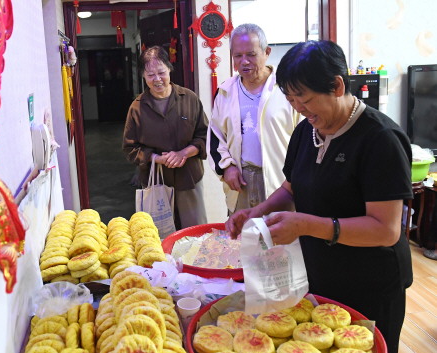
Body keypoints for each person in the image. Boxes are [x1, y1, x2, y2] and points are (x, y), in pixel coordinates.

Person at [225, 40, 413, 353]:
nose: (298, 107)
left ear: (337, 86)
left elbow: (386, 229)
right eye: (291, 98)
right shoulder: (306, 131)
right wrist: (258, 211)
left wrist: (306, 225)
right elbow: (292, 187)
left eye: (304, 98)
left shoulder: (380, 139)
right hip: (320, 274)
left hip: (370, 282)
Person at [207, 23, 301, 214]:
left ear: (266, 52)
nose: (244, 62)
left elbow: (305, 136)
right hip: (241, 182)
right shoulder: (226, 91)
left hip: (281, 184)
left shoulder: (287, 89)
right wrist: (227, 167)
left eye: (251, 54)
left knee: (280, 240)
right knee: (241, 239)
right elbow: (215, 136)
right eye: (238, 56)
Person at [123, 46, 208, 231]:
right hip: (156, 184)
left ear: (169, 69)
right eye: (150, 75)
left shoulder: (189, 99)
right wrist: (156, 158)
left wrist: (184, 153)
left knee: (194, 234)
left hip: (189, 178)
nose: (157, 79)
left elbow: (205, 136)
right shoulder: (137, 108)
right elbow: (130, 148)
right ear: (143, 76)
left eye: (161, 72)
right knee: (161, 237)